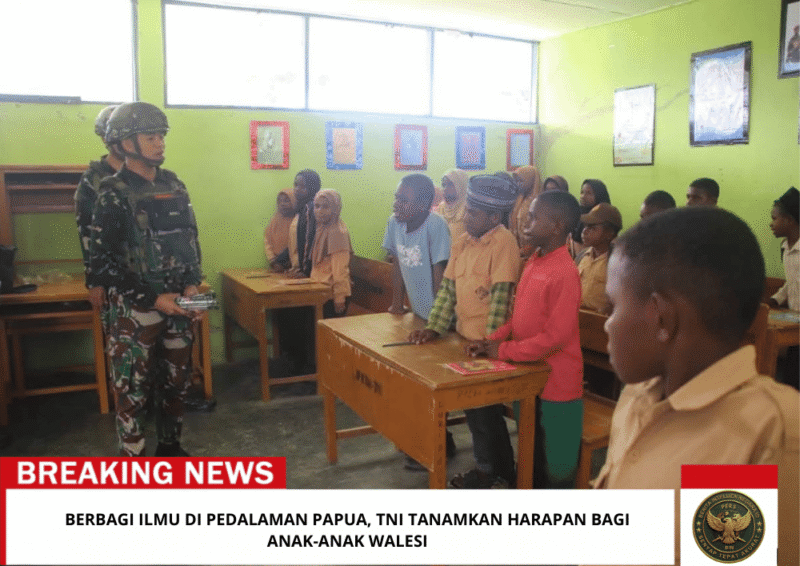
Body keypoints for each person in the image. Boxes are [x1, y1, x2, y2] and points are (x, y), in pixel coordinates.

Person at [596, 207, 799, 566]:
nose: (606, 323)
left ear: (661, 317)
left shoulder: (767, 430)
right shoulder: (638, 394)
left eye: (613, 306)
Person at [90, 102, 203, 457]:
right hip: (136, 310)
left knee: (176, 382)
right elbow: (103, 262)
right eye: (150, 137)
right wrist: (153, 299)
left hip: (178, 304)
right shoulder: (113, 191)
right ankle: (134, 460)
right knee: (132, 389)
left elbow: (190, 240)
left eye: (161, 136)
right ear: (126, 143)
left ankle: (170, 447)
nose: (160, 143)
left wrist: (192, 286)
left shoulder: (174, 185)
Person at [409, 175, 520, 488]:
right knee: (476, 412)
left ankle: (492, 472)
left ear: (494, 218)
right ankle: (497, 469)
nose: (466, 216)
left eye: (472, 212)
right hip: (463, 338)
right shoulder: (462, 241)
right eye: (467, 210)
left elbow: (500, 299)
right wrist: (433, 327)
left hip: (486, 345)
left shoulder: (504, 243)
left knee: (484, 413)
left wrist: (490, 344)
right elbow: (447, 290)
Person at [467, 191, 584, 489]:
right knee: (531, 452)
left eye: (532, 218)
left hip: (557, 385)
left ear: (557, 226)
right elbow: (518, 316)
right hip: (528, 377)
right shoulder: (534, 261)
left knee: (558, 467)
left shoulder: (565, 271)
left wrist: (504, 350)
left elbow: (556, 337)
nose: (524, 223)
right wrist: (492, 340)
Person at [382, 173, 454, 470]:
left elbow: (441, 275)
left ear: (424, 204)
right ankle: (433, 439)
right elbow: (397, 264)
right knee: (412, 381)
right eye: (396, 197)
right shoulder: (394, 223)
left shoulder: (435, 226)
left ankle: (433, 445)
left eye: (404, 199)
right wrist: (397, 304)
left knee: (431, 384)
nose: (396, 203)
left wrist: (435, 323)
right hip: (418, 314)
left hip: (440, 318)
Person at [75, 105, 123, 311]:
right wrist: (95, 281)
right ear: (105, 138)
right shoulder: (94, 179)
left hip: (152, 275)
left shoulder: (149, 174)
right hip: (114, 279)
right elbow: (87, 232)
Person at [767, 187, 799, 390]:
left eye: (775, 218)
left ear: (789, 220)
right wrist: (775, 300)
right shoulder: (786, 249)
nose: (771, 224)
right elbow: (792, 281)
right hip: (795, 322)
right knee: (791, 378)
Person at [309, 189, 351, 318]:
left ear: (335, 208)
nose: (319, 211)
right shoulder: (322, 228)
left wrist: (339, 297)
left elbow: (340, 269)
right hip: (320, 290)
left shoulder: (337, 232)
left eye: (326, 207)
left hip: (332, 295)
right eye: (317, 206)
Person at [577, 203, 622, 314]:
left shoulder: (617, 263)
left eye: (592, 228)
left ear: (609, 233)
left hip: (600, 319)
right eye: (585, 226)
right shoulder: (581, 256)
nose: (585, 231)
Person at [571, 178, 610, 257]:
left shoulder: (604, 217)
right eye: (582, 192)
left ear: (599, 196)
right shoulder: (577, 213)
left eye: (589, 193)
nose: (583, 196)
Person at [509, 166, 541, 253]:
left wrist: (526, 249)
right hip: (517, 248)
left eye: (521, 181)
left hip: (532, 250)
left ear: (530, 181)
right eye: (516, 181)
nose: (518, 184)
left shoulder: (538, 203)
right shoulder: (519, 199)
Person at [264, 189, 296, 272]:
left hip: (295, 266)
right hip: (277, 265)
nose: (282, 204)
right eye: (280, 201)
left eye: (286, 201)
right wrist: (273, 261)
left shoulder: (298, 220)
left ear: (294, 201)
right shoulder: (275, 220)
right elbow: (267, 241)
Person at [435, 169, 469, 242]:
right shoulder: (440, 208)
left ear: (461, 185)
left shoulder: (469, 209)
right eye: (444, 185)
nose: (445, 188)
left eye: (450, 184)